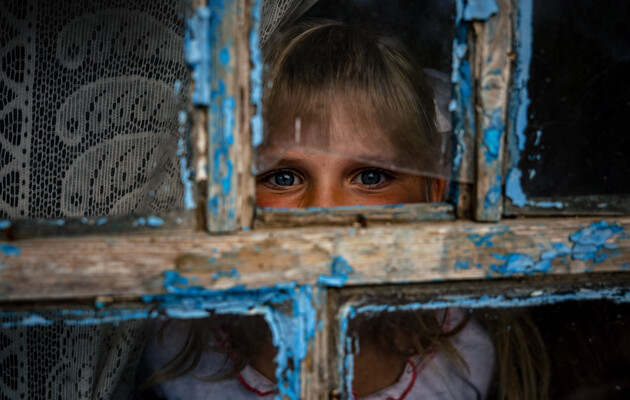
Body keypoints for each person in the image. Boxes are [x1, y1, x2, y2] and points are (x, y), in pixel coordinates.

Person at [138, 20, 548, 399]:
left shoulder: (460, 356)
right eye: (284, 178)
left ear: (431, 195)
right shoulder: (180, 353)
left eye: (370, 177)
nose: (323, 211)